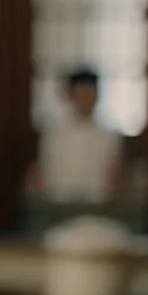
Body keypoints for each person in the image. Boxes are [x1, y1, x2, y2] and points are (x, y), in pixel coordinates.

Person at [27, 66, 127, 206]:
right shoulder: (53, 134)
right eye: (82, 93)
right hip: (57, 204)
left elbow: (115, 175)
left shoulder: (109, 135)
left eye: (91, 93)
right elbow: (42, 172)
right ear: (70, 95)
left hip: (98, 205)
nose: (86, 98)